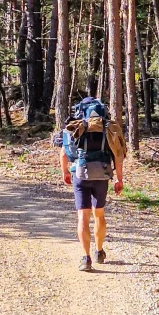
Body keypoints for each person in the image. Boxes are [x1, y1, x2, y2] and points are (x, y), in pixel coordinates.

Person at [58, 99, 125, 272]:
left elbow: (64, 152)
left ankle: (86, 258)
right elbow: (118, 156)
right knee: (99, 214)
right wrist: (119, 179)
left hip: (81, 174)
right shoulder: (109, 129)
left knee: (83, 217)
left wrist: (65, 172)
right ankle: (99, 251)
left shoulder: (76, 127)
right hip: (102, 175)